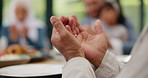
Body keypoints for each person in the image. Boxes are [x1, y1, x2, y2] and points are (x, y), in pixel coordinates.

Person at [50, 15, 148, 78]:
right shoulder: (86, 20)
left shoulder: (124, 22)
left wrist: (74, 56)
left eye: (94, 3)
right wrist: (102, 60)